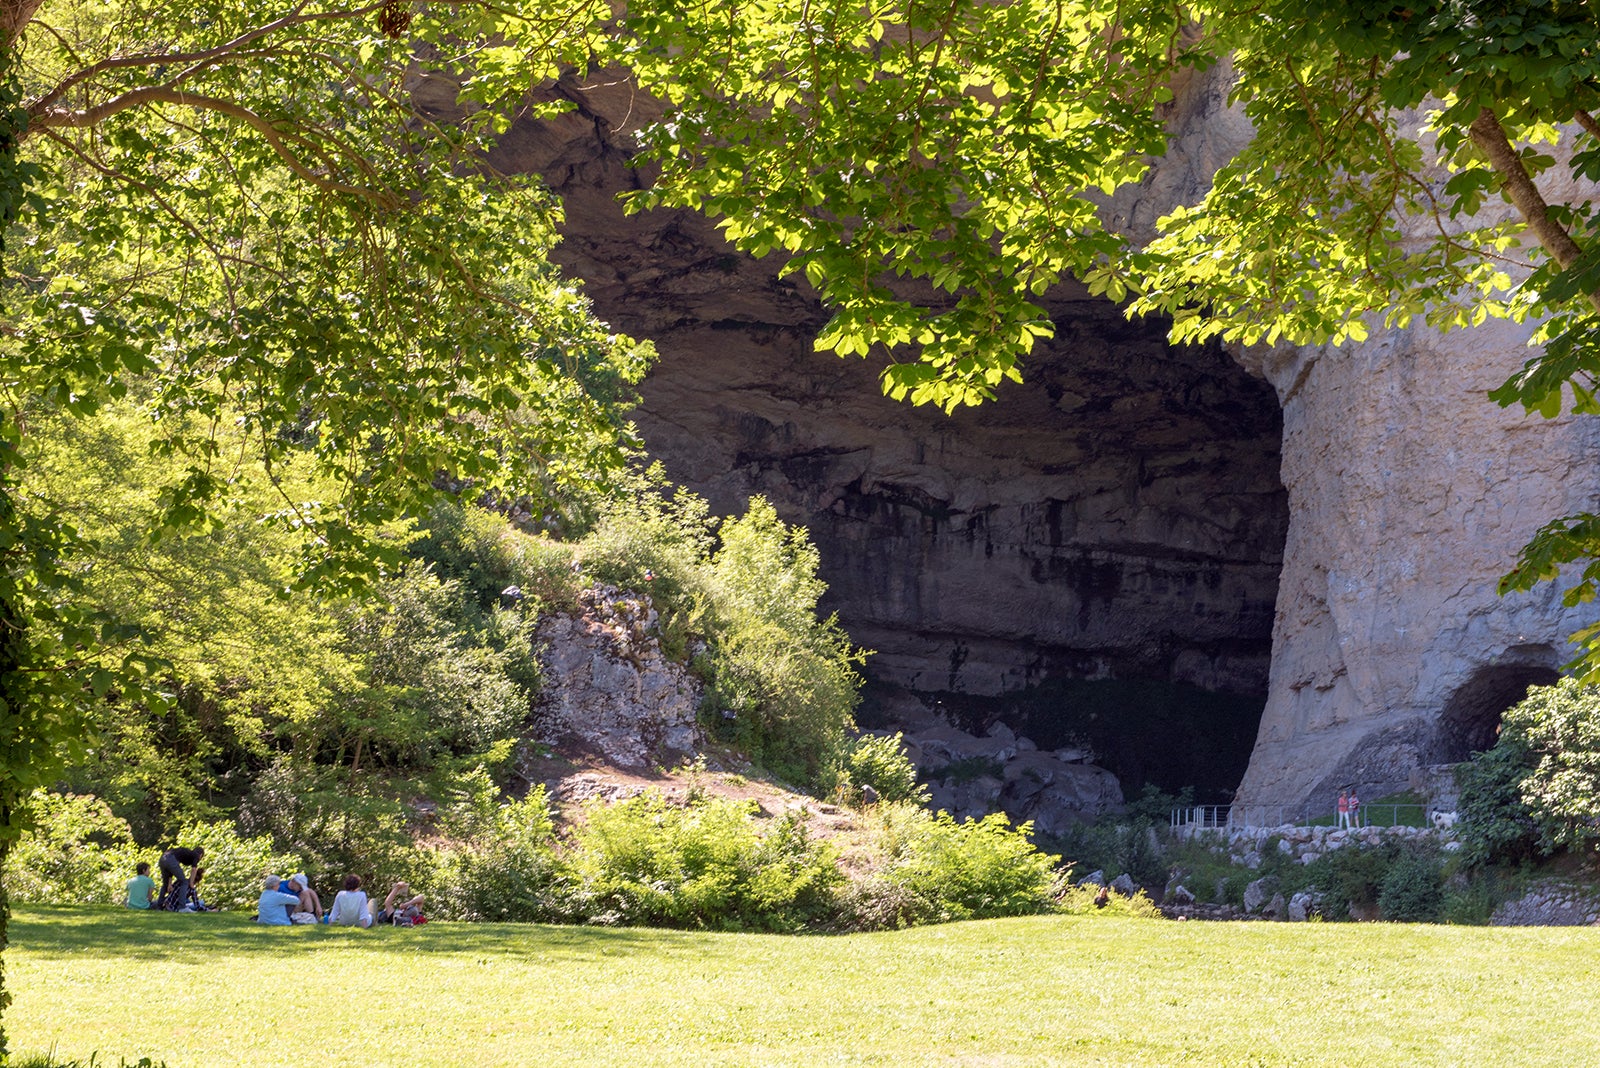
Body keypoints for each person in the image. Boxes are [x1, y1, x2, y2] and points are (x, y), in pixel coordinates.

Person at [157, 846, 205, 911]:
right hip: (171, 859)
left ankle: (159, 906)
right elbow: (194, 869)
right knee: (184, 882)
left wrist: (170, 883)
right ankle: (182, 907)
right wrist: (191, 884)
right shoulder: (196, 855)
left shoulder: (186, 853)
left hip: (163, 858)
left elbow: (170, 869)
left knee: (165, 884)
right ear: (201, 855)